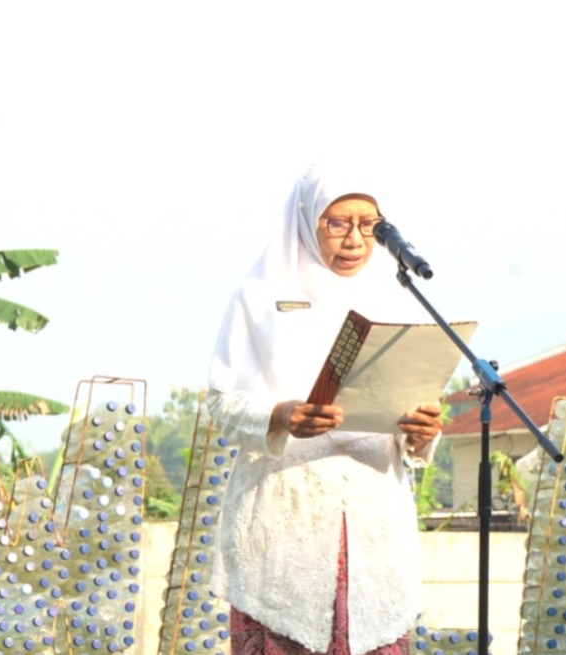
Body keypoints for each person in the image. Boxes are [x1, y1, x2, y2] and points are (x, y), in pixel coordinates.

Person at [206, 165, 444, 655]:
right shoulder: (260, 295)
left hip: (373, 525)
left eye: (369, 225)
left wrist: (422, 432)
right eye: (337, 223)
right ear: (306, 221)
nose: (354, 239)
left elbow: (410, 412)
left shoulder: (396, 299)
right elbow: (221, 402)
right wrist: (281, 416)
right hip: (285, 522)